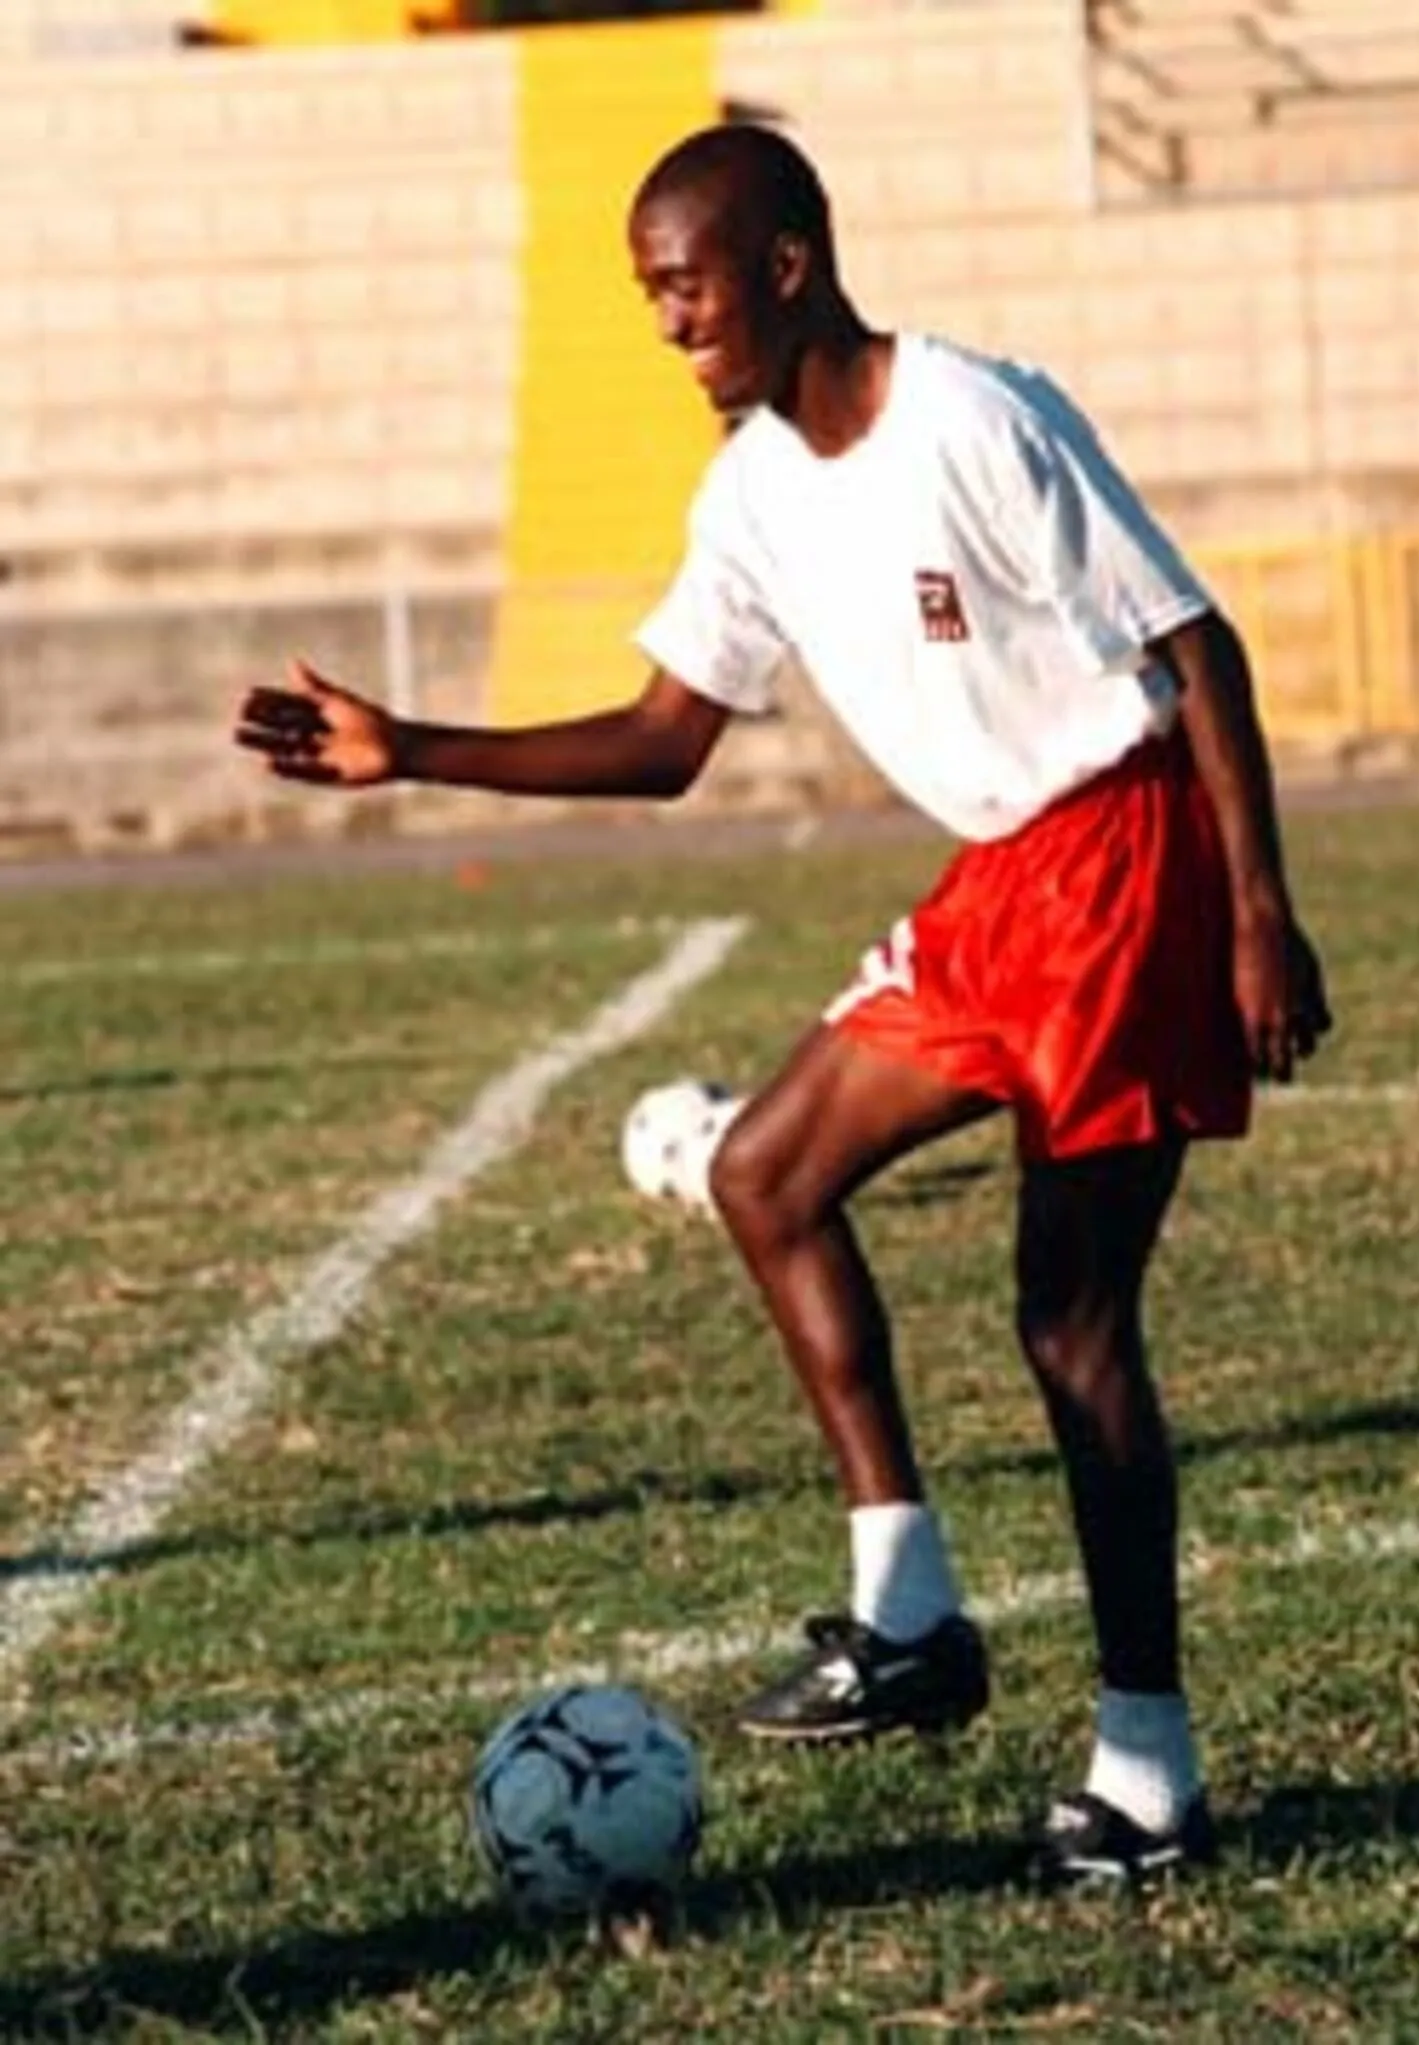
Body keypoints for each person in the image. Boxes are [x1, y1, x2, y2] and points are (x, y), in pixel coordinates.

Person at [235, 122, 1330, 1887]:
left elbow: (1197, 646)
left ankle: (1151, 1772)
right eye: (652, 298)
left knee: (1071, 1329)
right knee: (763, 1173)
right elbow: (669, 741)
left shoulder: (975, 414)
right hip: (1001, 886)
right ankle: (913, 1614)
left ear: (791, 262)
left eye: (688, 287)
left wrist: (1260, 915)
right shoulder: (751, 488)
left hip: (1126, 863)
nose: (674, 328)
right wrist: (407, 750)